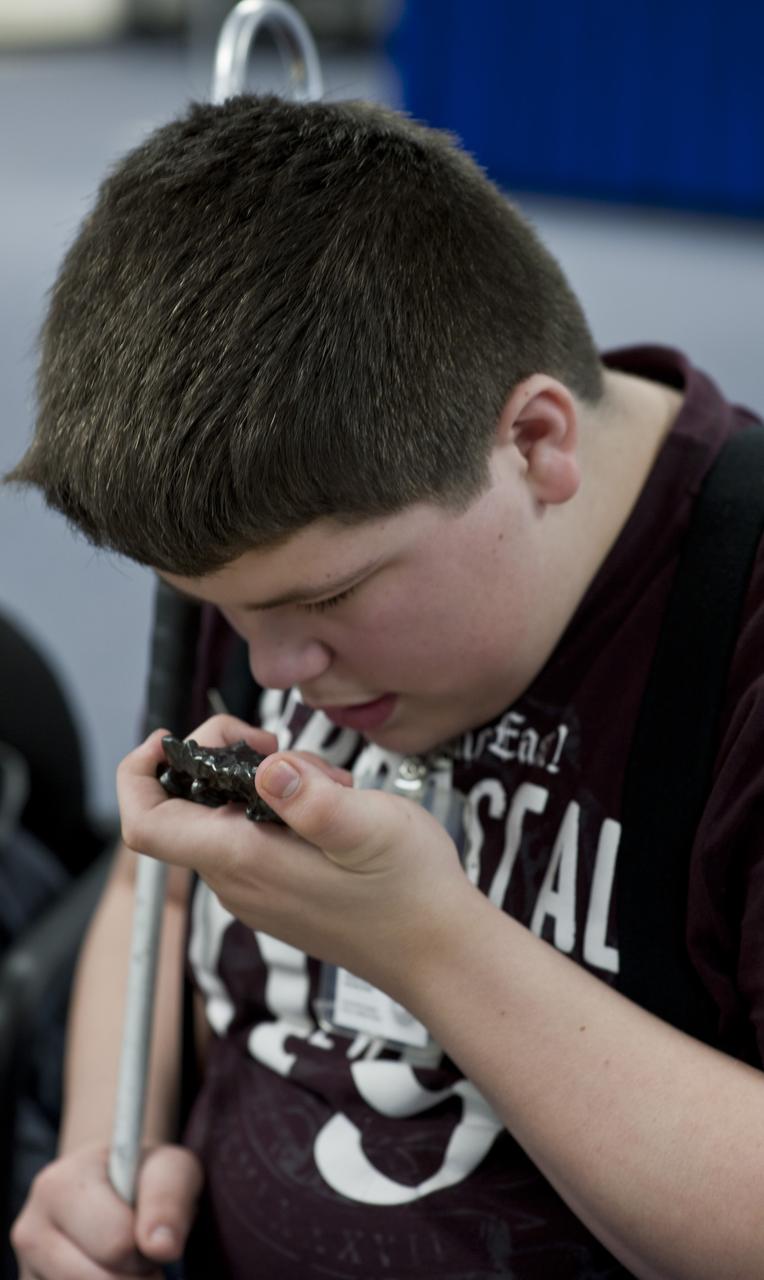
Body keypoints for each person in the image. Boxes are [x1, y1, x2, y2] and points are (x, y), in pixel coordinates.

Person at [6, 93, 764, 1280]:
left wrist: (426, 945)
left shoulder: (738, 640)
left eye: (327, 600)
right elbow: (150, 886)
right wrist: (106, 1150)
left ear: (533, 443)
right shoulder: (272, 549)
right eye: (223, 609)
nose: (272, 667)